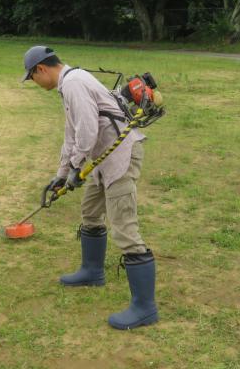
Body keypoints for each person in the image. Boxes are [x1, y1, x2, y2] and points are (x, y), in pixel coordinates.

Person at [21, 45, 158, 330]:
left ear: (41, 69)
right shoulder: (69, 84)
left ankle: (145, 307)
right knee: (91, 213)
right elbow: (71, 133)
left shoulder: (74, 83)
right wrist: (62, 174)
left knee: (123, 227)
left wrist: (75, 168)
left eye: (32, 78)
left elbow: (87, 131)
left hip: (119, 156)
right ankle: (92, 271)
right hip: (101, 159)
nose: (35, 83)